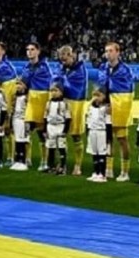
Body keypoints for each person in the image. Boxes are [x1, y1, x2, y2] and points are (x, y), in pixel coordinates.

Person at [98, 42, 134, 182]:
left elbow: (128, 93)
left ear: (118, 52)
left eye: (111, 51)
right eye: (106, 51)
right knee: (107, 139)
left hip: (119, 108)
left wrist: (115, 105)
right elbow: (101, 87)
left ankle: (125, 171)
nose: (108, 53)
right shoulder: (103, 68)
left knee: (122, 139)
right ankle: (109, 169)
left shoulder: (125, 70)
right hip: (106, 108)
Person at [55, 45, 89, 176]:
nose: (63, 62)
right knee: (61, 134)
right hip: (63, 102)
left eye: (65, 59)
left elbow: (67, 83)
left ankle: (78, 164)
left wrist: (59, 84)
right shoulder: (62, 68)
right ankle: (62, 163)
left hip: (76, 104)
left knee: (76, 135)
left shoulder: (80, 70)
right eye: (61, 60)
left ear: (72, 55)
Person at [21, 42, 53, 170]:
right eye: (27, 49)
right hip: (31, 100)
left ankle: (44, 161)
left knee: (42, 132)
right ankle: (27, 159)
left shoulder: (45, 67)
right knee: (27, 130)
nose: (29, 52)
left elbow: (50, 84)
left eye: (32, 49)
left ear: (38, 51)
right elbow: (23, 83)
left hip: (42, 100)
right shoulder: (26, 67)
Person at [44, 84, 70, 175]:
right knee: (51, 147)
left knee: (61, 147)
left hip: (60, 126)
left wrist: (65, 131)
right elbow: (45, 117)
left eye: (56, 91)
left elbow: (68, 118)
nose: (53, 93)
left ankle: (62, 167)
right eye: (52, 91)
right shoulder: (48, 103)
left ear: (61, 92)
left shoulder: (64, 103)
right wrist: (45, 130)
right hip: (50, 126)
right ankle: (51, 166)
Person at [86, 88, 111, 183]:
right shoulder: (91, 107)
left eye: (98, 95)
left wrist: (108, 139)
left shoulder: (106, 108)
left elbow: (108, 123)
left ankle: (102, 174)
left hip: (101, 132)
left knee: (101, 153)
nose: (96, 98)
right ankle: (96, 172)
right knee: (94, 153)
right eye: (94, 95)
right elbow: (88, 119)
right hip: (92, 131)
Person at [9, 80, 29, 171]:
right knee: (17, 140)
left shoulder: (26, 97)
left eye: (20, 84)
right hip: (15, 120)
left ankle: (23, 161)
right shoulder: (15, 96)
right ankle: (17, 160)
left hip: (23, 120)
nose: (18, 86)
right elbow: (12, 110)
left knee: (22, 141)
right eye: (17, 84)